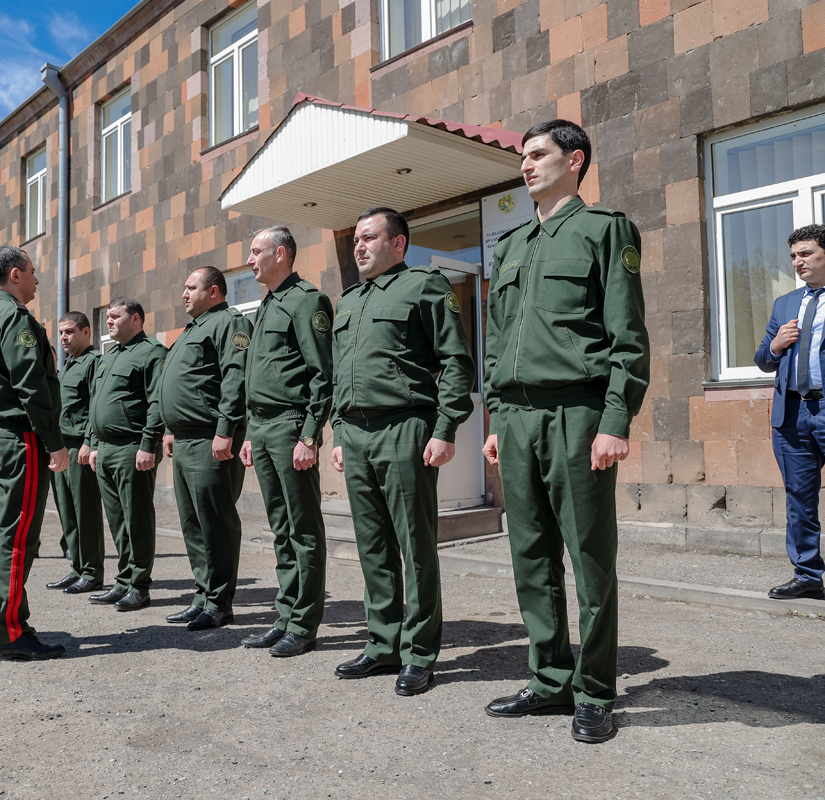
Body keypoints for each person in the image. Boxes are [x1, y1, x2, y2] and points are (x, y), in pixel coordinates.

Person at [482, 119, 649, 744]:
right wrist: (496, 417)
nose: (525, 166)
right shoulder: (511, 244)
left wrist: (615, 421)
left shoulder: (604, 230)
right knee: (530, 555)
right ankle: (550, 679)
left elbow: (627, 336)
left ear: (574, 160)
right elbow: (497, 340)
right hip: (517, 418)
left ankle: (596, 691)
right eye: (522, 157)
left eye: (538, 154)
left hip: (577, 414)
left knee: (589, 558)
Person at [329, 207, 476, 696]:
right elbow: (337, 375)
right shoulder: (349, 301)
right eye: (355, 239)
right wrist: (337, 432)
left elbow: (456, 361)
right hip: (355, 434)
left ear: (398, 243)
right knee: (372, 546)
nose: (359, 246)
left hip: (404, 427)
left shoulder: (424, 287)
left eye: (369, 238)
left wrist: (446, 427)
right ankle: (382, 644)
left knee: (414, 546)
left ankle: (418, 652)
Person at [0, 245, 70, 661]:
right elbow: (31, 385)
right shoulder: (13, 317)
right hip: (17, 438)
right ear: (14, 275)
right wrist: (54, 441)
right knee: (16, 537)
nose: (37, 279)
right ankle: (10, 633)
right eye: (32, 271)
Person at [238, 227, 333, 657]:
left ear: (280, 254)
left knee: (303, 529)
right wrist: (248, 432)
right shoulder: (268, 304)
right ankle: (285, 616)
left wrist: (310, 435)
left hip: (291, 427)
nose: (249, 259)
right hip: (262, 429)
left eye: (256, 251)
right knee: (280, 529)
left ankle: (304, 624)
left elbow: (322, 374)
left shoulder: (306, 301)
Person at [157, 267, 252, 630]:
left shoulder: (229, 323)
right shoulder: (192, 329)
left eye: (191, 287)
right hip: (184, 440)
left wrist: (226, 429)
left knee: (216, 523)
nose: (184, 293)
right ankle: (203, 595)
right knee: (193, 524)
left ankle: (220, 602)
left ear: (213, 291)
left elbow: (235, 377)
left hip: (210, 438)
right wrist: (169, 429)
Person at [82, 297, 167, 611]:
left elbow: (157, 402)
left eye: (115, 316)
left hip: (132, 447)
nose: (109, 321)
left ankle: (139, 586)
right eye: (107, 317)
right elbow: (96, 403)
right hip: (105, 449)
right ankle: (123, 581)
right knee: (118, 521)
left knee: (136, 519)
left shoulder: (151, 352)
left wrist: (148, 444)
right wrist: (93, 443)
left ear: (136, 319)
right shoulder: (109, 356)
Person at [755, 224, 825, 602]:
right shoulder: (785, 303)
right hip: (792, 413)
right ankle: (808, 575)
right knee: (799, 498)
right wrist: (777, 345)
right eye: (794, 256)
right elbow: (763, 358)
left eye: (806, 253)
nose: (798, 261)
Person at [46, 311, 104, 594]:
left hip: (80, 446)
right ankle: (77, 568)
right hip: (62, 447)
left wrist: (89, 442)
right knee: (67, 512)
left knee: (85, 512)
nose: (63, 338)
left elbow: (96, 405)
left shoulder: (94, 362)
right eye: (61, 333)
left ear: (86, 332)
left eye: (69, 332)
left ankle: (92, 572)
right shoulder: (68, 365)